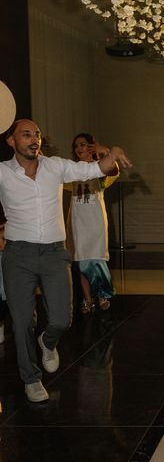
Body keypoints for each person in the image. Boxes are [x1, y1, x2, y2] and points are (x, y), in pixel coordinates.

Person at [0, 119, 131, 403]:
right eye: (26, 135)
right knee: (21, 321)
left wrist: (113, 152)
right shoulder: (2, 172)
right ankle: (31, 378)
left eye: (36, 135)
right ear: (11, 141)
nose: (34, 139)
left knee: (61, 319)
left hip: (54, 253)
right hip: (17, 255)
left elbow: (96, 168)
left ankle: (47, 342)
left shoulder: (55, 166)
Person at [66, 133, 118, 313]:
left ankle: (102, 294)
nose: (79, 149)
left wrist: (105, 153)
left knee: (96, 260)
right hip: (78, 224)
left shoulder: (100, 169)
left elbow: (114, 171)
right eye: (76, 146)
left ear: (91, 146)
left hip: (95, 223)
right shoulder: (71, 170)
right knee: (81, 262)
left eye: (83, 144)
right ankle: (88, 300)